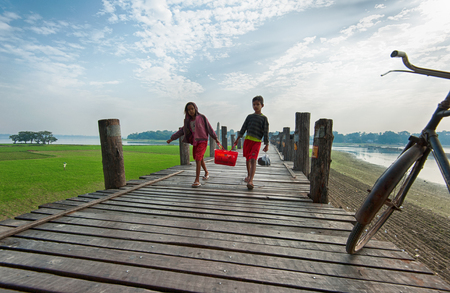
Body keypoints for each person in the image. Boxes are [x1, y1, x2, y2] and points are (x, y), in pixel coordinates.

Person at [167, 102, 220, 188]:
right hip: (195, 142)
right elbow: (182, 131)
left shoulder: (202, 117)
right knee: (198, 158)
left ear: (195, 108)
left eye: (192, 109)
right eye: (188, 110)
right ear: (186, 111)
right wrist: (172, 138)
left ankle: (197, 180)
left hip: (203, 141)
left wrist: (215, 138)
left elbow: (209, 128)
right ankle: (206, 172)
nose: (191, 111)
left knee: (198, 157)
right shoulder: (187, 121)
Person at [235, 95, 269, 190]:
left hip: (256, 142)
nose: (255, 106)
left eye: (257, 104)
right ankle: (249, 175)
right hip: (248, 141)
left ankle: (251, 180)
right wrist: (238, 138)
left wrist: (266, 144)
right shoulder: (249, 117)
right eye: (253, 104)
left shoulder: (264, 119)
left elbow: (266, 131)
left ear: (262, 105)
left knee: (253, 159)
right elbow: (243, 128)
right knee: (248, 159)